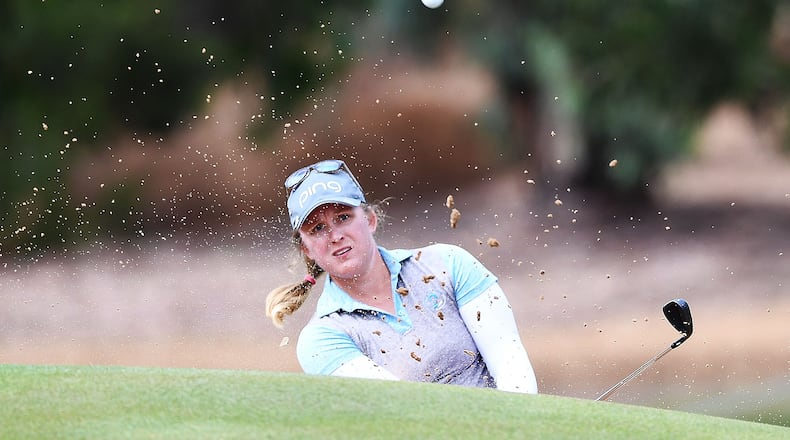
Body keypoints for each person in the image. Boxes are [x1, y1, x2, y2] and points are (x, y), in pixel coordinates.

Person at [265, 159, 537, 393]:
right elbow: (402, 406)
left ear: (370, 219)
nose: (335, 235)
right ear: (307, 249)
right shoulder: (321, 339)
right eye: (317, 228)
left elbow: (510, 363)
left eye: (344, 217)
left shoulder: (447, 264)